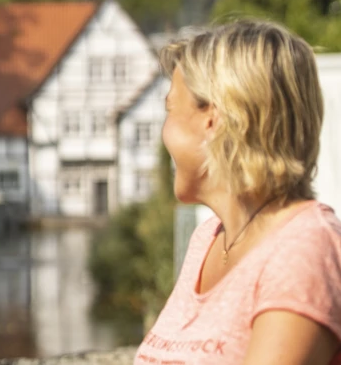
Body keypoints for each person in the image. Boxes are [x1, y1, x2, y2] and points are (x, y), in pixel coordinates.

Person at [135, 20, 341, 364]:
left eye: (170, 110)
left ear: (213, 120)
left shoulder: (305, 248)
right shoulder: (208, 240)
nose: (164, 132)